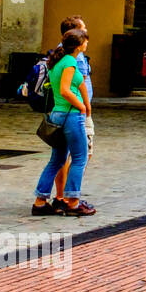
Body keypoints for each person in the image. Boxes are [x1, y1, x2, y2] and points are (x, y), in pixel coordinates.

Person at [32, 29, 95, 217]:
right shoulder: (69, 62)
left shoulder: (58, 61)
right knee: (80, 158)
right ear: (78, 45)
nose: (86, 44)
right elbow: (66, 90)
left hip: (58, 114)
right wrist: (82, 107)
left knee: (57, 160)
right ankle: (73, 202)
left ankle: (40, 201)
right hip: (71, 115)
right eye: (85, 41)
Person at [47, 15, 95, 211]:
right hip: (74, 112)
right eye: (83, 31)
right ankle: (70, 199)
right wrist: (84, 107)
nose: (86, 36)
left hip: (63, 111)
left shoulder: (59, 54)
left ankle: (57, 197)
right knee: (82, 155)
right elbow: (76, 85)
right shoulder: (73, 58)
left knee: (60, 157)